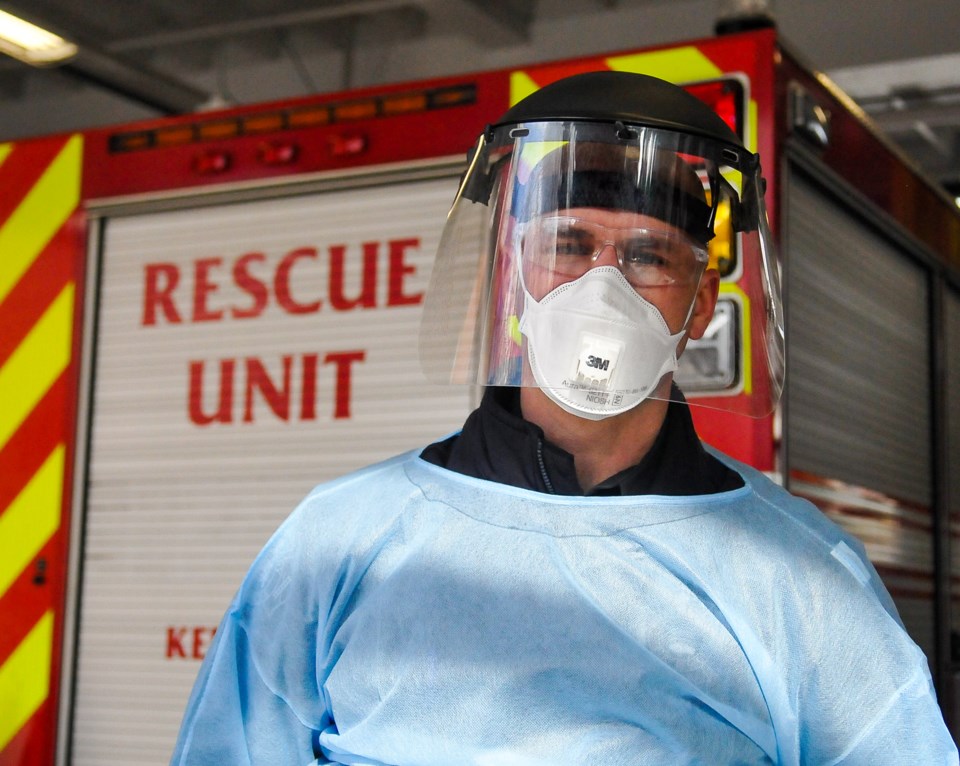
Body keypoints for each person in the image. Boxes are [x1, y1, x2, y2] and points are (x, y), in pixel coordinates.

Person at [170, 72, 958, 765]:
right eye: (569, 245)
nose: (601, 291)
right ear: (516, 280)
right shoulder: (338, 536)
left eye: (648, 257)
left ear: (701, 306)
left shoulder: (801, 574)